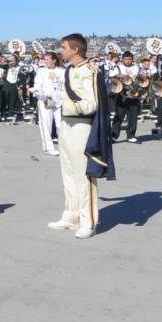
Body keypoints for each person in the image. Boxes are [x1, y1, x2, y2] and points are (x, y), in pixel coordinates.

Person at [50, 33, 100, 239]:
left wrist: (66, 104)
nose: (60, 51)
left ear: (75, 50)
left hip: (81, 126)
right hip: (65, 125)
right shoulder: (69, 70)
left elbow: (92, 104)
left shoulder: (89, 71)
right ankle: (71, 216)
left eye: (63, 47)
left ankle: (88, 220)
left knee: (83, 176)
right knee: (68, 173)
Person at [32, 52, 62, 155]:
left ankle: (64, 146)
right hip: (45, 100)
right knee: (46, 125)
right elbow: (37, 86)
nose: (46, 61)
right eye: (45, 59)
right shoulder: (41, 71)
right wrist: (42, 97)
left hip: (58, 101)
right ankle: (49, 148)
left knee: (61, 124)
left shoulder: (61, 71)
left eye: (48, 59)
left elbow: (64, 86)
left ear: (54, 60)